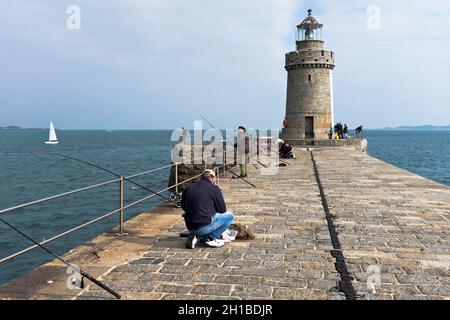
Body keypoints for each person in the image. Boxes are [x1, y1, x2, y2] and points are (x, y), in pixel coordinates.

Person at [181, 169, 235, 249]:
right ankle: (211, 237)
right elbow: (222, 210)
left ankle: (196, 237)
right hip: (204, 227)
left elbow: (183, 207)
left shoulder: (189, 188)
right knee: (230, 216)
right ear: (213, 178)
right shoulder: (214, 188)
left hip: (190, 226)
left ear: (201, 177)